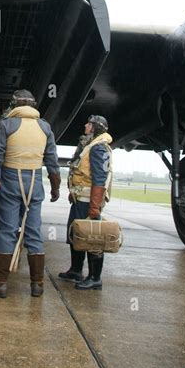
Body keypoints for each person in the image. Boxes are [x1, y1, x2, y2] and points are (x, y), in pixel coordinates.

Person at [0, 90, 60, 299]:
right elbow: (52, 161)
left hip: (9, 181)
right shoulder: (45, 127)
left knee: (7, 229)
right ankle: (37, 284)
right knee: (33, 231)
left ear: (14, 105)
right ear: (34, 105)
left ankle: (0, 283)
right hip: (34, 183)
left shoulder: (6, 125)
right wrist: (55, 187)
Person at [59, 115, 113, 290]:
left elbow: (99, 179)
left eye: (89, 124)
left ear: (95, 127)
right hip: (80, 199)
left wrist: (94, 207)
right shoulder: (90, 145)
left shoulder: (98, 148)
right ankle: (76, 270)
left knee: (92, 238)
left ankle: (95, 277)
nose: (85, 125)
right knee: (76, 234)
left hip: (88, 200)